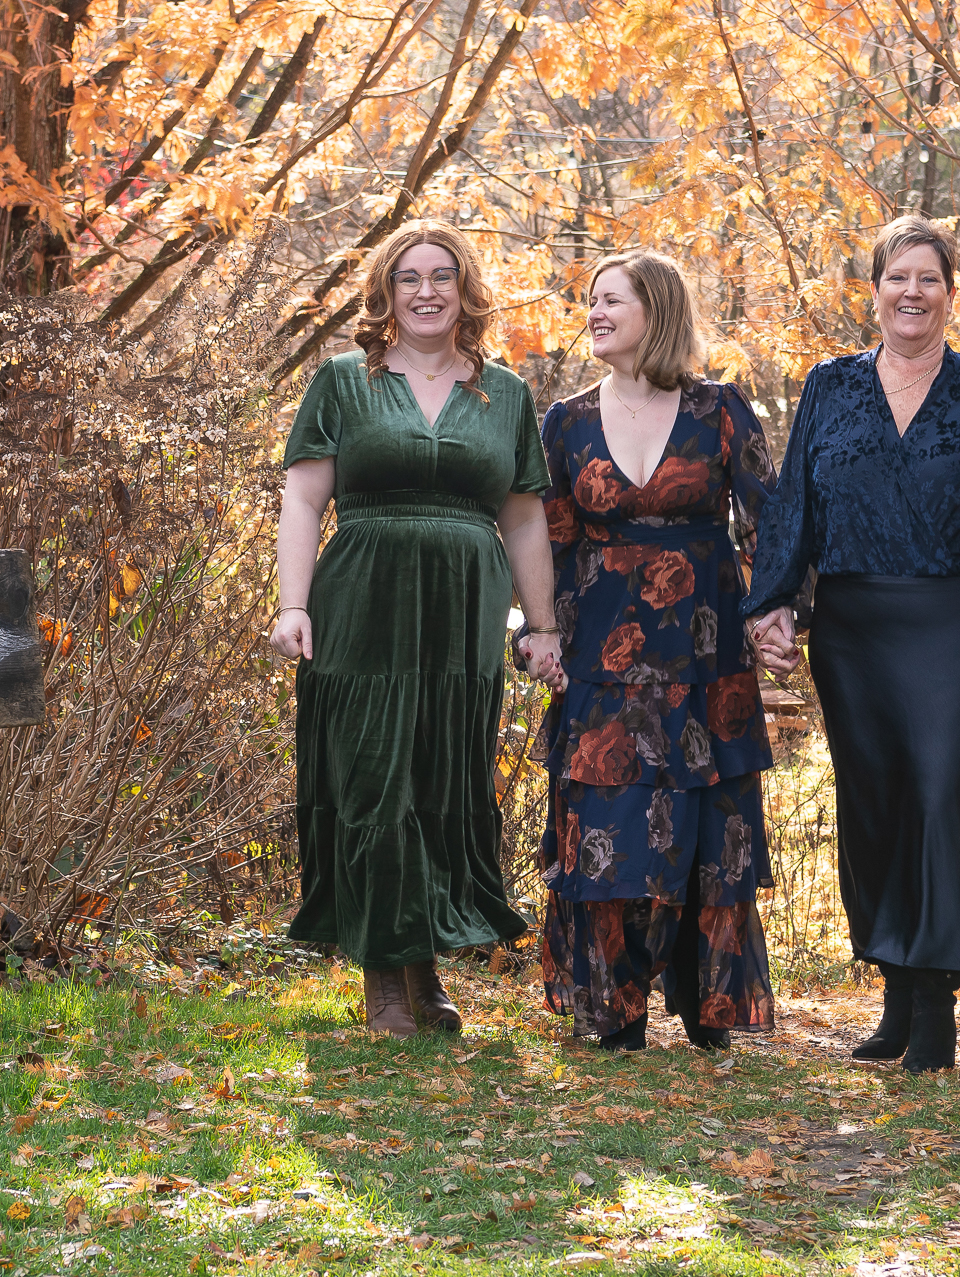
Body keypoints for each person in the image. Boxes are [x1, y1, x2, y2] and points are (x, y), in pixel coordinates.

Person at [743, 214, 960, 1074]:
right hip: (855, 626)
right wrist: (772, 602)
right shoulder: (830, 385)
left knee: (942, 798)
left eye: (929, 278)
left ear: (950, 293)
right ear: (874, 290)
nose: (913, 292)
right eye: (897, 277)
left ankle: (936, 1003)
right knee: (873, 805)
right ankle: (896, 993)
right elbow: (795, 503)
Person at [271, 220, 567, 1038]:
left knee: (441, 777)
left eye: (443, 276)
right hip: (362, 602)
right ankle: (384, 977)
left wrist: (542, 625)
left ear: (466, 291)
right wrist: (293, 605)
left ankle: (422, 963)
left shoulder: (505, 393)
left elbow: (524, 519)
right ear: (386, 292)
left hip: (462, 613)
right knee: (373, 776)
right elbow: (304, 498)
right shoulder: (343, 382)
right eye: (409, 277)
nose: (426, 291)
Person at [535, 250, 782, 1052]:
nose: (596, 312)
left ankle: (708, 1010)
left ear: (659, 310)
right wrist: (536, 632)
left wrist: (778, 614)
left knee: (707, 826)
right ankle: (616, 1010)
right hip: (600, 658)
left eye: (613, 299)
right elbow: (548, 541)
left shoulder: (721, 410)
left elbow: (768, 523)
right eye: (592, 300)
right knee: (607, 823)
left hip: (706, 657)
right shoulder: (566, 421)